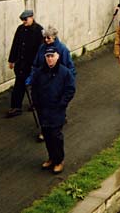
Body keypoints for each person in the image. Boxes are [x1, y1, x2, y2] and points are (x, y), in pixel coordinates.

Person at [31, 46, 75, 174]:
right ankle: (51, 158)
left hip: (57, 110)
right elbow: (34, 89)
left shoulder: (65, 72)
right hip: (43, 110)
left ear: (57, 57)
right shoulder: (39, 72)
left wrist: (62, 104)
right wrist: (36, 103)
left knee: (56, 136)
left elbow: (70, 90)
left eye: (52, 56)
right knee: (47, 135)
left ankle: (59, 161)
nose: (50, 59)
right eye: (47, 57)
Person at [7, 9, 43, 118]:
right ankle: (16, 107)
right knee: (19, 84)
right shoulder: (20, 29)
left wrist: (38, 64)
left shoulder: (39, 30)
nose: (24, 22)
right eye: (22, 20)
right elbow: (15, 45)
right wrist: (11, 60)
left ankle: (36, 103)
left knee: (35, 85)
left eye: (25, 19)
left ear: (32, 17)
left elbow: (41, 49)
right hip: (21, 64)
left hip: (32, 64)